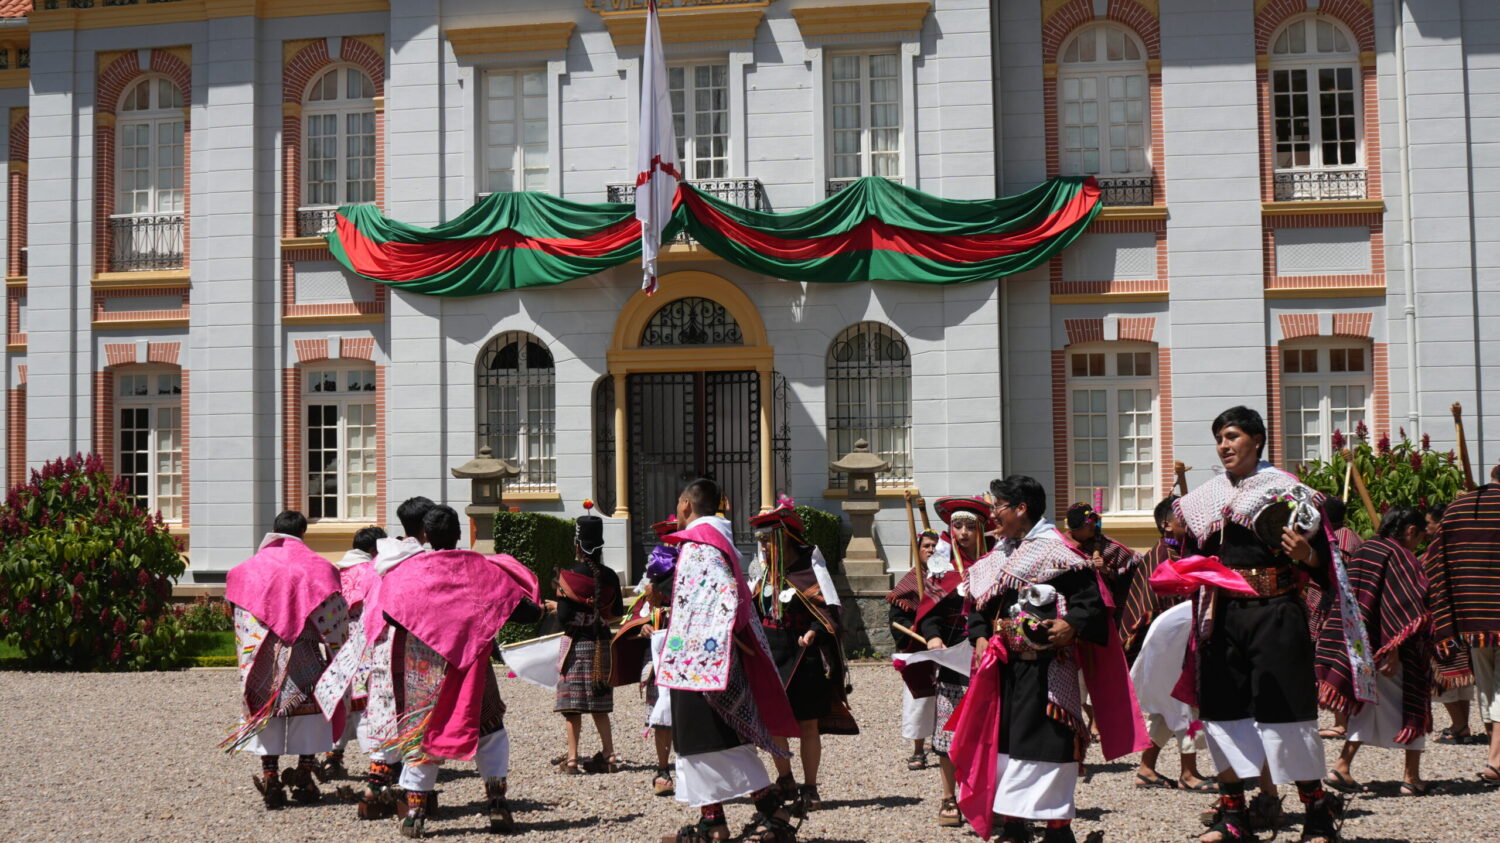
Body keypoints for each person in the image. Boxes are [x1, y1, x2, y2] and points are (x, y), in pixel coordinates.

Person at [1173, 406, 1356, 843]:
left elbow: (1325, 561)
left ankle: (1315, 815)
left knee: (1287, 715)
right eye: (1219, 437)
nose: (1224, 445)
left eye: (1233, 436)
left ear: (1257, 440)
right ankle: (1234, 817)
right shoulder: (1205, 497)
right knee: (1222, 712)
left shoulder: (1288, 492)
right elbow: (1187, 550)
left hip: (1275, 613)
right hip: (1221, 616)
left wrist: (1305, 556)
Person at [947, 475, 1147, 843]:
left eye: (998, 507)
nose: (992, 514)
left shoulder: (1058, 552)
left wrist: (1071, 625)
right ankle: (1013, 824)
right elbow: (980, 605)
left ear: (1021, 509)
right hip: (1003, 669)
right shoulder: (998, 555)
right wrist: (977, 636)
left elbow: (1091, 604)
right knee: (1003, 742)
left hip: (1048, 670)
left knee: (1047, 742)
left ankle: (1058, 829)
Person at [374, 504, 545, 838]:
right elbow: (526, 612)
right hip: (472, 667)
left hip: (424, 668)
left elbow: (391, 615)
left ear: (424, 535)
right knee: (490, 728)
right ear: (459, 534)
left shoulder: (409, 572)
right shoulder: (481, 570)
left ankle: (415, 813)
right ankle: (496, 803)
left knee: (423, 732)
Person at [656, 477, 800, 843]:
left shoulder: (700, 542)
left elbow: (723, 592)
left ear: (686, 503)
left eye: (678, 504)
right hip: (703, 656)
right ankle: (716, 821)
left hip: (703, 658)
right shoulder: (714, 540)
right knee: (707, 739)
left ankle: (770, 813)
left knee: (711, 738)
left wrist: (713, 636)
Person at [315, 495, 436, 820]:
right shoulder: (423, 562)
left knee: (384, 715)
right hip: (415, 649)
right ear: (428, 527)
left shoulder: (382, 563)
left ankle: (374, 787)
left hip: (376, 647)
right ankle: (417, 800)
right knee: (418, 719)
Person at [222, 510, 349, 809]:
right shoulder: (319, 567)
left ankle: (270, 776)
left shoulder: (247, 570)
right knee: (312, 714)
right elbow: (335, 615)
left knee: (268, 712)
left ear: (275, 530)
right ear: (303, 532)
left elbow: (238, 612)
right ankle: (305, 774)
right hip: (305, 650)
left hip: (266, 654)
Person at [1318, 507, 1436, 796]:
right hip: (1393, 650)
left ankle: (1342, 767)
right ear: (1411, 531)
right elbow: (1403, 606)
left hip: (1360, 647)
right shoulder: (1400, 556)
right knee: (1415, 707)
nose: (1418, 543)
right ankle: (1412, 777)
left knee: (1367, 708)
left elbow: (1358, 600)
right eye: (1420, 536)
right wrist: (1392, 649)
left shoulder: (1366, 549)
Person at [746, 498, 853, 816]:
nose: (764, 548)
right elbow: (750, 612)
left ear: (785, 539)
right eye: (761, 542)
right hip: (770, 658)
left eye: (768, 541)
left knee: (808, 725)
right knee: (774, 722)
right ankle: (785, 779)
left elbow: (830, 614)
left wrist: (814, 633)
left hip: (803, 660)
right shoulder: (764, 576)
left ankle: (811, 786)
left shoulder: (810, 572)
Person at [1122, 495, 1215, 793]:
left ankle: (1146, 769)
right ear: (1166, 524)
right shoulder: (1162, 555)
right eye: (1182, 518)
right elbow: (1151, 606)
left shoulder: (1184, 552)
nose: (1188, 523)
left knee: (1166, 708)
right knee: (1187, 704)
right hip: (1169, 642)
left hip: (1180, 639)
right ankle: (1189, 773)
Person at [1423, 463, 1500, 787]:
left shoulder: (1458, 509)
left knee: (1489, 686)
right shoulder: (1465, 506)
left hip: (1472, 616)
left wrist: (1449, 613)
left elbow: (1435, 563)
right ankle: (1496, 760)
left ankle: (1495, 757)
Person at [920, 496, 992, 828]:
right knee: (947, 730)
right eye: (957, 526)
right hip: (951, 655)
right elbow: (928, 613)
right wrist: (933, 636)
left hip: (990, 656)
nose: (962, 533)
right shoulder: (942, 567)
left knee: (988, 731)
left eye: (970, 527)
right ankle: (949, 796)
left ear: (982, 530)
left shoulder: (995, 563)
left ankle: (984, 794)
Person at [547, 510, 625, 775]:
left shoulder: (568, 576)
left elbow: (566, 616)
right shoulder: (611, 576)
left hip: (577, 646)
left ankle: (571, 759)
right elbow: (616, 613)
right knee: (599, 704)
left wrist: (557, 607)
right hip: (602, 645)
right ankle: (609, 754)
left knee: (573, 707)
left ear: (577, 544)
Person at [319, 525, 387, 780]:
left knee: (341, 703)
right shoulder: (372, 572)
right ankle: (378, 766)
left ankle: (332, 757)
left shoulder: (334, 572)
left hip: (335, 646)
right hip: (364, 645)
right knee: (366, 706)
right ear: (373, 550)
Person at [887, 529, 944, 771]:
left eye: (935, 547)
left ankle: (943, 743)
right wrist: (916, 631)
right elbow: (896, 616)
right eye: (926, 546)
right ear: (917, 550)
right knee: (919, 699)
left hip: (946, 648)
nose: (931, 550)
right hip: (918, 648)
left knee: (947, 698)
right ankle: (918, 750)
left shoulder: (946, 579)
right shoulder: (911, 580)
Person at [1424, 502, 1478, 744]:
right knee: (1462, 674)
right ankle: (1462, 725)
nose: (1426, 529)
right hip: (1464, 617)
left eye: (1428, 523)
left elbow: (1426, 576)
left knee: (1446, 676)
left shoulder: (1439, 547)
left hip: (1444, 619)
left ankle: (1459, 725)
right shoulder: (1463, 544)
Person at [1311, 498, 1360, 740]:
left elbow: (1337, 576)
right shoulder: (1346, 535)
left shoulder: (1339, 539)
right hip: (1339, 608)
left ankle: (1342, 721)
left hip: (1339, 610)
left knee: (1336, 661)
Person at [1065, 502, 1141, 608]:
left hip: (1102, 606)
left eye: (1095, 520)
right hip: (1072, 603)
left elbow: (1128, 576)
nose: (1093, 524)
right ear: (1077, 527)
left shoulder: (1107, 545)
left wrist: (1106, 570)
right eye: (1089, 521)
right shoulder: (1062, 546)